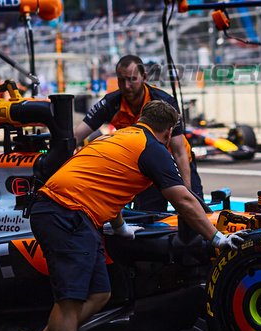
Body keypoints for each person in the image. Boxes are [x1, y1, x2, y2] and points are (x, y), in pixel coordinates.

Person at [13, 100, 240, 331]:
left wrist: (120, 228)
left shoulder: (119, 138)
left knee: (99, 294)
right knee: (70, 301)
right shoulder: (153, 149)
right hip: (65, 213)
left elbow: (109, 185)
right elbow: (184, 201)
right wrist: (215, 237)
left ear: (142, 119)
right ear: (169, 130)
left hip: (70, 212)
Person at [73, 54, 201, 212]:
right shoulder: (110, 103)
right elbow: (75, 136)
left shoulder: (165, 102)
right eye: (121, 80)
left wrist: (186, 192)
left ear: (144, 77)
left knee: (193, 212)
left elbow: (179, 151)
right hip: (146, 166)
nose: (126, 86)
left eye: (132, 79)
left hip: (177, 160)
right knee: (148, 218)